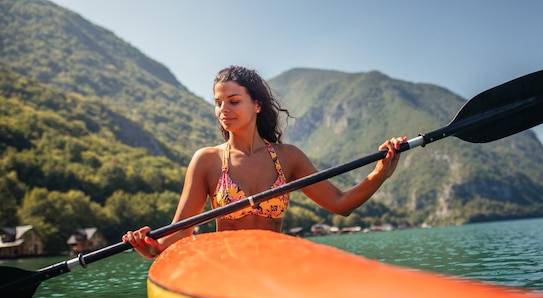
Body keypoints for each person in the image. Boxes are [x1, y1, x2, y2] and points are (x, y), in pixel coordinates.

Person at [123, 65, 406, 259]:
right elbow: (183, 228)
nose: (224, 110)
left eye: (233, 101)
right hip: (229, 266)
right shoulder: (207, 160)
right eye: (218, 102)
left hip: (275, 264)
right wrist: (152, 246)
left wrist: (380, 173)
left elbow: (340, 204)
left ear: (256, 105)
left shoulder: (288, 157)